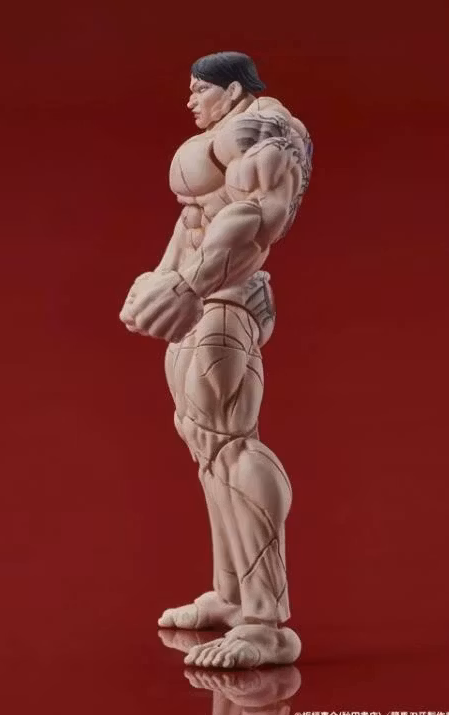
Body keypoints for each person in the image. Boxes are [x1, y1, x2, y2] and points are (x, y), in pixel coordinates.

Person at [120, 51, 313, 668]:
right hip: (199, 298)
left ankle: (266, 622)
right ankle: (231, 597)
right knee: (205, 444)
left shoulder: (265, 130)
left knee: (233, 445)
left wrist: (188, 284)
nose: (190, 101)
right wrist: (160, 276)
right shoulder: (224, 136)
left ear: (232, 91)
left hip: (225, 300)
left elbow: (255, 220)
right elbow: (194, 219)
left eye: (200, 90)